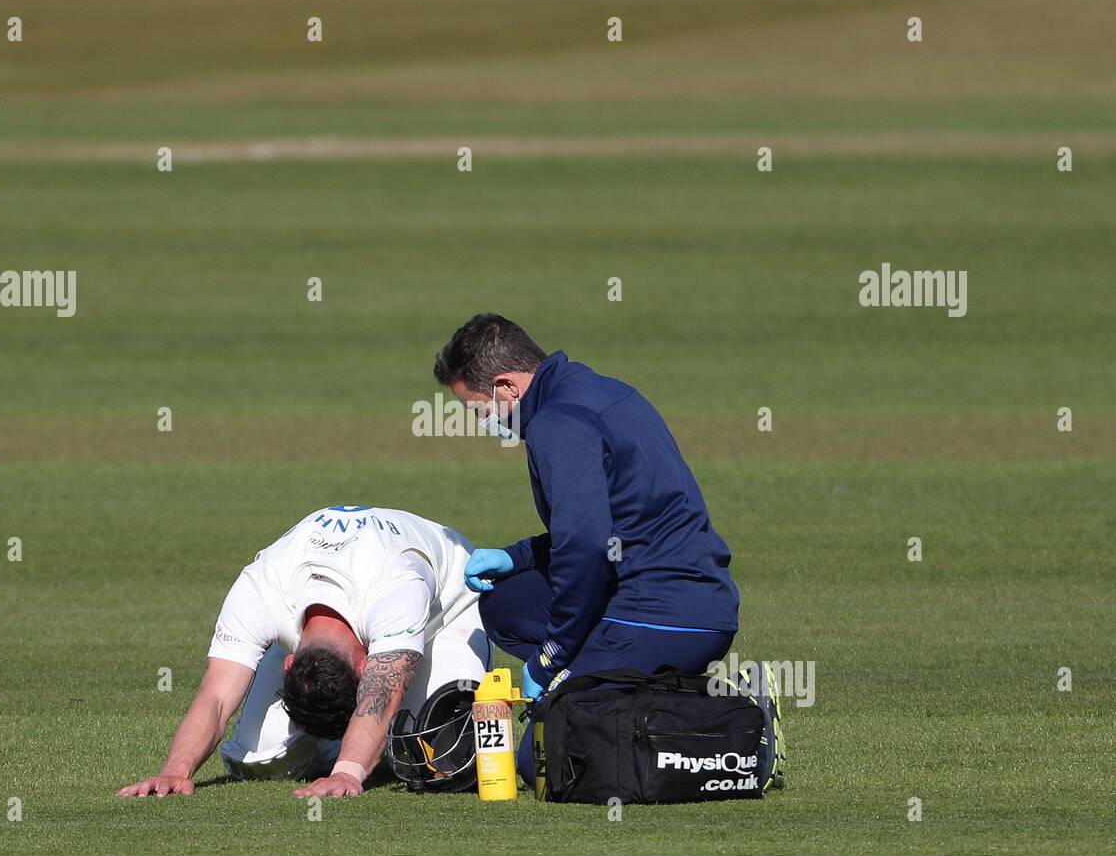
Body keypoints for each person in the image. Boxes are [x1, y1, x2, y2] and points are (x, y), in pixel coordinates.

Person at [433, 314, 741, 785]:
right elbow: (615, 524)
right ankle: (602, 678)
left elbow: (586, 548)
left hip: (665, 614)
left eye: (478, 409)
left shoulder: (558, 422)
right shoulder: (597, 390)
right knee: (508, 598)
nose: (482, 423)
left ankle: (729, 721)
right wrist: (516, 557)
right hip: (684, 597)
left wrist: (550, 657)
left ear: (506, 386)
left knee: (544, 760)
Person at [117, 506, 490, 800]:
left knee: (439, 761)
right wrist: (175, 771)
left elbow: (381, 691)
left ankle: (363, 745)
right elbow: (215, 696)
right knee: (259, 757)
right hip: (351, 621)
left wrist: (348, 771)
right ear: (289, 661)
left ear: (366, 665)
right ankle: (353, 739)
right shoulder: (260, 589)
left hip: (448, 612)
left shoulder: (395, 587)